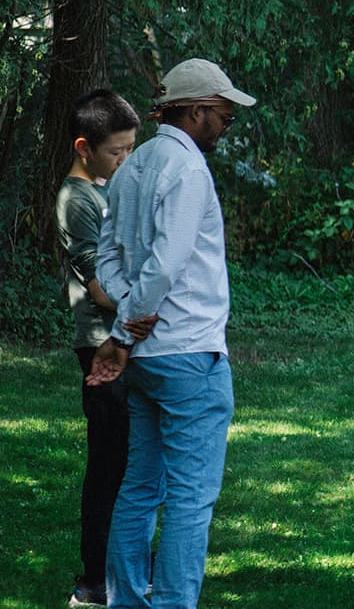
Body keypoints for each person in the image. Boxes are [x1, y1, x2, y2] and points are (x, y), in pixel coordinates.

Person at [88, 58, 255, 608]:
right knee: (189, 498)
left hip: (149, 359)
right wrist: (127, 328)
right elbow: (166, 264)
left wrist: (125, 319)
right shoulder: (186, 170)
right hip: (189, 353)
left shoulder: (135, 164)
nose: (226, 126)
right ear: (198, 110)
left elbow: (109, 256)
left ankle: (127, 601)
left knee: (139, 487)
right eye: (224, 116)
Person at [56, 89, 139, 606]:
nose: (126, 160)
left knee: (131, 461)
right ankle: (93, 581)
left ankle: (122, 572)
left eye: (132, 149)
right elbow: (100, 287)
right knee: (109, 463)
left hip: (127, 340)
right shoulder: (77, 199)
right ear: (84, 147)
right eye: (117, 152)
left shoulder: (109, 186)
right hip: (100, 344)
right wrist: (146, 305)